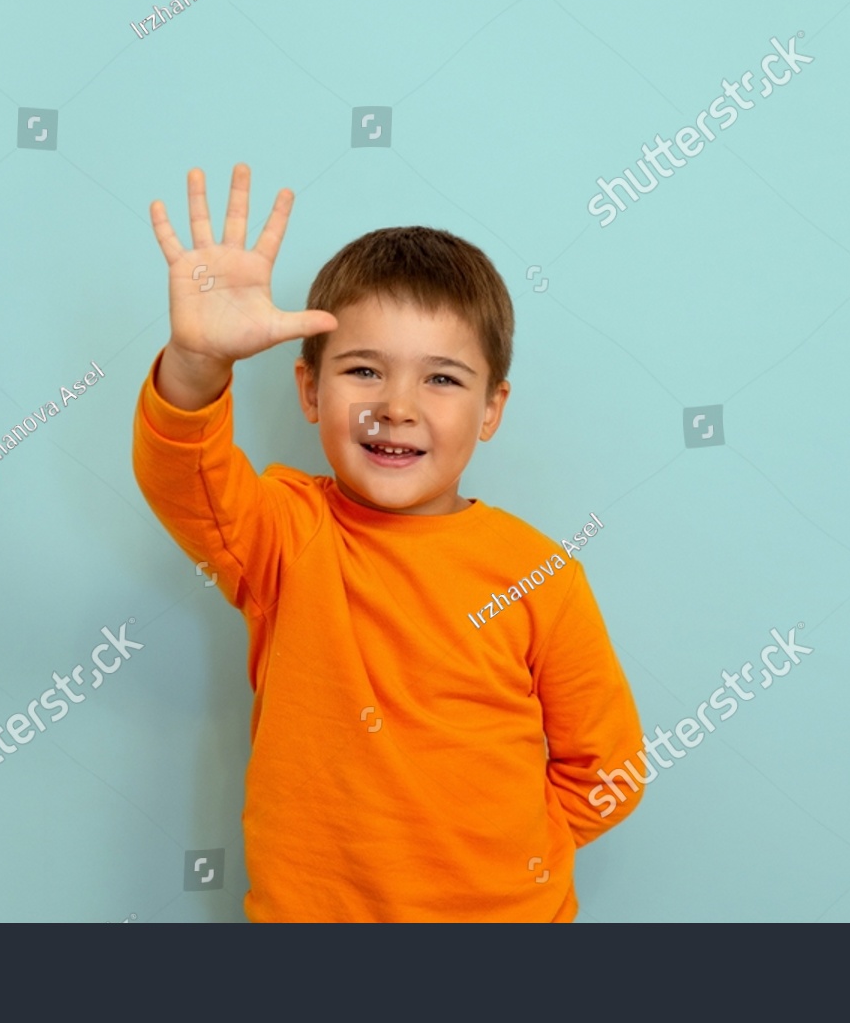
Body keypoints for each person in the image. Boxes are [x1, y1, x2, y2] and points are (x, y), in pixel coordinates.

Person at [132, 163, 645, 921]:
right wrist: (199, 363)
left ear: (491, 408)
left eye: (441, 380)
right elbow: (185, 480)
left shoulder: (539, 574)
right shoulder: (284, 535)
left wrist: (508, 853)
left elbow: (611, 767)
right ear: (310, 391)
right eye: (364, 370)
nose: (396, 407)